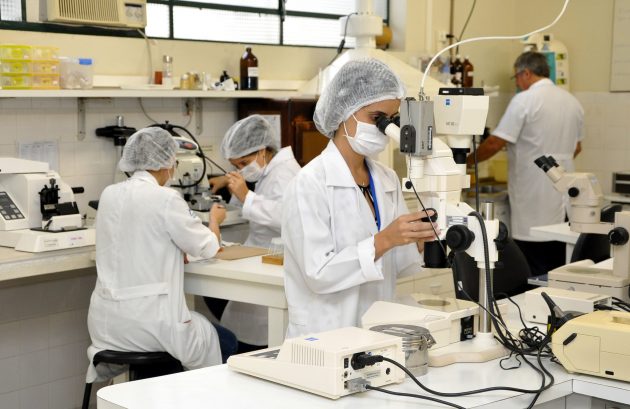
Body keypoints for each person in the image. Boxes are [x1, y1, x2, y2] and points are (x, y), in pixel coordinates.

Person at [282, 59, 439, 338]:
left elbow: (398, 265)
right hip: (325, 333)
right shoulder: (309, 184)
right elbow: (318, 273)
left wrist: (421, 239)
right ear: (345, 111)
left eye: (391, 119)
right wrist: (385, 239)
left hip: (377, 329)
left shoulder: (386, 179)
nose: (385, 129)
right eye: (377, 118)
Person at [86, 127, 237, 382]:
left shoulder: (109, 194)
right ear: (166, 163)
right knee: (227, 341)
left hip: (106, 325)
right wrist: (215, 220)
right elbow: (208, 246)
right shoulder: (166, 198)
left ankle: (149, 394)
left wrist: (172, 251)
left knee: (180, 340)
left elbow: (141, 240)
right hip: (153, 324)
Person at [467, 51, 584, 276]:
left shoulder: (525, 100)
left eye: (517, 78)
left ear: (526, 73)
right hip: (566, 193)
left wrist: (466, 162)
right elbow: (577, 148)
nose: (517, 84)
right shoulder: (572, 101)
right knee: (559, 261)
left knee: (533, 261)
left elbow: (495, 143)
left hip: (533, 194)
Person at [206, 115, 301, 351]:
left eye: (243, 163)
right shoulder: (270, 170)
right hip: (261, 257)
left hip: (276, 262)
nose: (241, 170)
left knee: (259, 336)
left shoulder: (284, 174)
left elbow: (289, 218)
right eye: (236, 166)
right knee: (242, 326)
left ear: (261, 151)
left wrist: (246, 197)